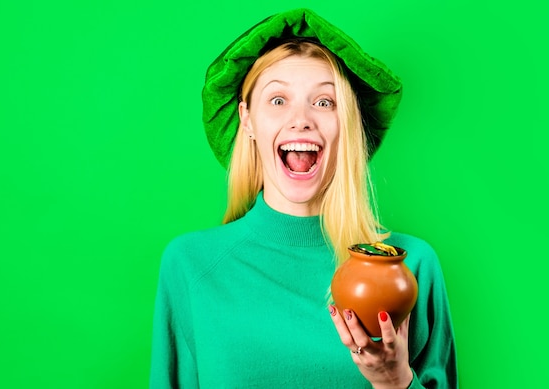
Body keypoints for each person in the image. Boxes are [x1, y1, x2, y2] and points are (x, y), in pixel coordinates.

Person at [150, 8, 457, 388]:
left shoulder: (409, 269)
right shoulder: (191, 266)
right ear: (247, 119)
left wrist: (394, 381)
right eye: (278, 100)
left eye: (324, 102)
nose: (301, 120)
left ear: (349, 123)